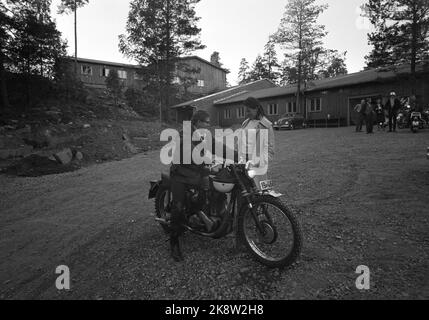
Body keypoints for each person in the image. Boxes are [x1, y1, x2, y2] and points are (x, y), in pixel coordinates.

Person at [168, 110, 213, 262]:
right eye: (206, 122)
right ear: (197, 122)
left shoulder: (202, 134)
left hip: (194, 174)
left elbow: (215, 146)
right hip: (180, 174)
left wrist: (236, 154)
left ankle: (197, 215)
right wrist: (205, 162)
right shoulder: (185, 134)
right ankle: (174, 242)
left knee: (206, 195)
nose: (208, 124)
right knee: (178, 207)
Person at [239, 97, 275, 190]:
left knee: (261, 195)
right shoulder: (245, 123)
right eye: (245, 111)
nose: (246, 114)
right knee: (244, 195)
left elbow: (270, 150)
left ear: (256, 108)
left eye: (248, 111)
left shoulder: (266, 125)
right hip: (243, 165)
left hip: (257, 168)